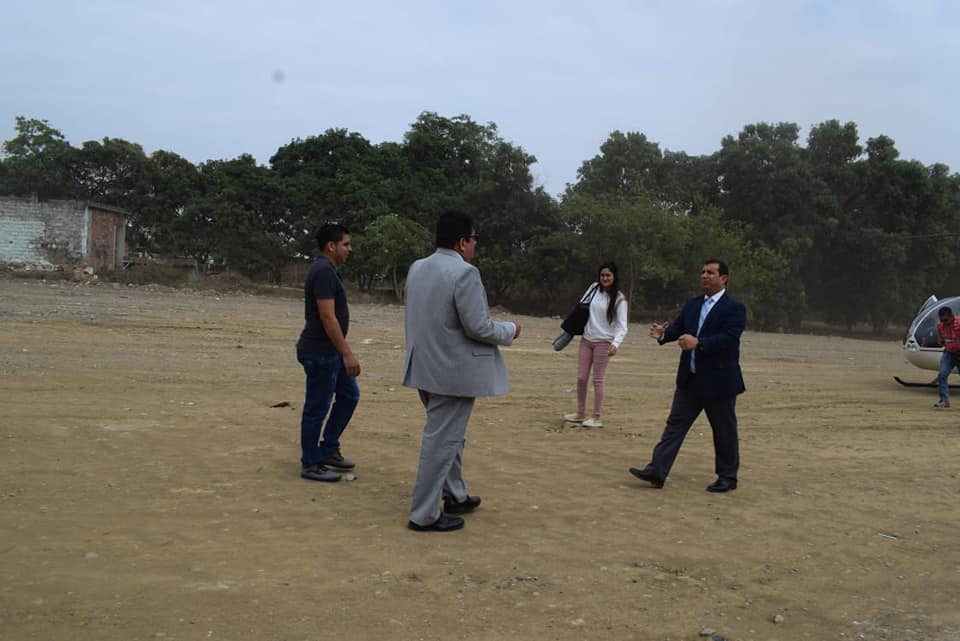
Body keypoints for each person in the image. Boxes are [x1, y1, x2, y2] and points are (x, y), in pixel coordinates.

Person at [402, 211, 522, 532]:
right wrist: (511, 329)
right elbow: (478, 326)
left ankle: (455, 494)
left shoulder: (417, 267)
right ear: (461, 242)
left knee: (449, 437)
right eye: (473, 239)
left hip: (424, 367)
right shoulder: (465, 273)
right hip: (452, 373)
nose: (474, 245)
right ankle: (424, 514)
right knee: (442, 441)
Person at [629, 259, 746, 492]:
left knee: (723, 430)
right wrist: (663, 335)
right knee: (674, 426)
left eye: (710, 272)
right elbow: (679, 327)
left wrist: (699, 343)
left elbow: (729, 338)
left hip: (719, 382)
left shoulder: (734, 307)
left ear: (724, 278)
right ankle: (657, 470)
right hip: (690, 380)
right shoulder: (693, 304)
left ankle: (727, 477)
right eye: (702, 272)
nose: (704, 276)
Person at [296, 223, 361, 483]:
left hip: (330, 351)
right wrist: (347, 353)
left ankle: (328, 449)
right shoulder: (323, 271)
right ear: (331, 246)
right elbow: (327, 316)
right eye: (345, 244)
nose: (349, 249)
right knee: (317, 407)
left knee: (349, 395)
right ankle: (311, 462)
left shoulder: (328, 271)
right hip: (320, 352)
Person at [563, 262, 628, 428]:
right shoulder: (593, 289)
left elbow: (622, 326)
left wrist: (615, 343)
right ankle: (580, 413)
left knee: (598, 379)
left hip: (604, 342)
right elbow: (581, 306)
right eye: (602, 275)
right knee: (581, 377)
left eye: (608, 275)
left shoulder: (620, 299)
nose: (605, 278)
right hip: (587, 339)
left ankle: (596, 416)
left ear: (614, 277)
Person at [934, 306, 960, 408]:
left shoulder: (959, 323)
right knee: (942, 374)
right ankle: (944, 400)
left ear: (951, 316)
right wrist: (942, 341)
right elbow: (940, 340)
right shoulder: (940, 326)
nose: (944, 323)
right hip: (949, 353)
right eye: (942, 320)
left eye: (946, 320)